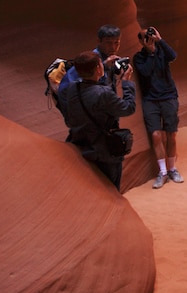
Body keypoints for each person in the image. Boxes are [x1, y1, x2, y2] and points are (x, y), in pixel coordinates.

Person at [58, 50, 136, 191]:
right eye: (100, 64)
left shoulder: (72, 88)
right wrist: (126, 83)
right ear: (98, 69)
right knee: (110, 192)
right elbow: (128, 108)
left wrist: (104, 66)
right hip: (104, 153)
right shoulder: (103, 93)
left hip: (81, 147)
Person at [133, 26, 183, 189]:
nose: (148, 38)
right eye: (144, 37)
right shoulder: (139, 58)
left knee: (171, 135)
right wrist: (151, 52)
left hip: (168, 97)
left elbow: (173, 56)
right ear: (140, 41)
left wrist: (160, 40)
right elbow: (145, 72)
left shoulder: (162, 51)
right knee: (155, 135)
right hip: (151, 100)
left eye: (150, 35)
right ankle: (162, 172)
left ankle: (172, 169)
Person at [58, 24, 124, 92]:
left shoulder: (111, 59)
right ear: (99, 41)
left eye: (116, 43)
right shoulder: (89, 60)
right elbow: (65, 88)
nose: (113, 47)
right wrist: (104, 67)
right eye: (108, 43)